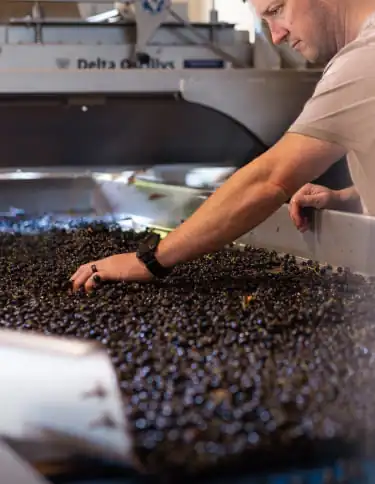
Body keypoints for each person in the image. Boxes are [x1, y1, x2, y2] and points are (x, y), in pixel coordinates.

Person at [70, 0, 375, 292]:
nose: (278, 35)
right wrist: (352, 196)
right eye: (266, 21)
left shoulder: (364, 59)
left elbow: (270, 180)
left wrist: (149, 260)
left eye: (277, 9)